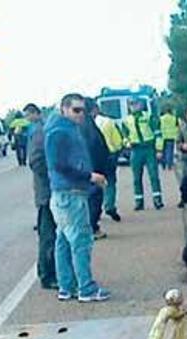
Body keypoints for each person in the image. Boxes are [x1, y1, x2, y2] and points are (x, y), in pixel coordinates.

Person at [44, 93, 110, 302]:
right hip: (70, 194)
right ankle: (86, 288)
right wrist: (89, 176)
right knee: (81, 241)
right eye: (76, 110)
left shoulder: (68, 130)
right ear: (64, 109)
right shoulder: (59, 132)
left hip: (67, 194)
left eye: (83, 110)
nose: (81, 114)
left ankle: (67, 286)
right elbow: (59, 165)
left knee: (63, 240)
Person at [23, 103, 56, 290]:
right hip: (47, 193)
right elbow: (36, 161)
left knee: (53, 234)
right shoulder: (39, 132)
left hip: (50, 191)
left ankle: (51, 272)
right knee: (48, 235)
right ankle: (47, 274)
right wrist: (55, 177)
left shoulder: (42, 129)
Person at [121, 99, 163, 210]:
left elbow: (158, 133)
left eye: (136, 104)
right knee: (136, 178)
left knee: (154, 175)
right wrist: (127, 143)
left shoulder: (148, 116)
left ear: (141, 105)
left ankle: (157, 199)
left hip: (149, 148)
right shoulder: (127, 120)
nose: (134, 106)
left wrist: (159, 150)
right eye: (131, 104)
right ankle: (139, 202)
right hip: (136, 150)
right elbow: (124, 135)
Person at [81, 97, 111, 240]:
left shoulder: (83, 125)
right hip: (93, 170)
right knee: (94, 199)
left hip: (88, 169)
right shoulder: (88, 126)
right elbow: (96, 148)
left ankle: (91, 227)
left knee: (90, 200)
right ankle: (92, 228)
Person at [94, 104, 123, 222]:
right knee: (110, 182)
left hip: (93, 157)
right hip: (109, 155)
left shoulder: (83, 124)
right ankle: (109, 205)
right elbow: (117, 140)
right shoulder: (108, 122)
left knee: (95, 184)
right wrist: (117, 150)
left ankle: (96, 211)